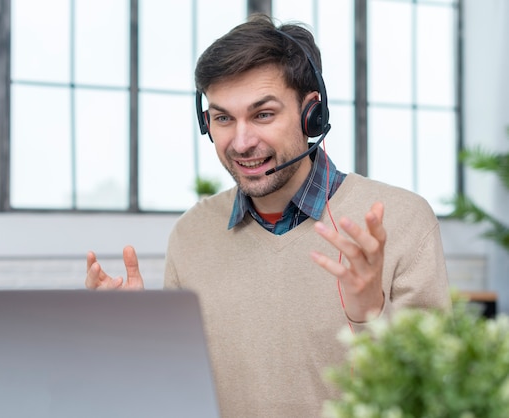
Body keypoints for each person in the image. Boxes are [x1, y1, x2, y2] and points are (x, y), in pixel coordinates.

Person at [85, 14, 451, 418]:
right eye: (223, 118)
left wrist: (370, 316)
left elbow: (437, 398)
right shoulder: (191, 236)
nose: (241, 142)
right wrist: (129, 340)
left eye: (263, 115)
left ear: (312, 113)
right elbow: (177, 396)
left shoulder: (402, 222)